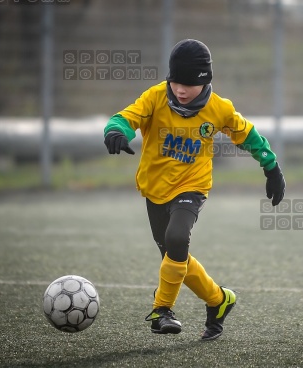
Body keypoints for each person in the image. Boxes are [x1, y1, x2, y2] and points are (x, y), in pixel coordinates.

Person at [103, 39, 286, 340]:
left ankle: (162, 310)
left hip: (192, 186)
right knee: (174, 257)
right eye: (175, 81)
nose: (181, 90)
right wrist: (115, 131)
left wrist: (271, 166)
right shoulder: (155, 98)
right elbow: (125, 117)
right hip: (154, 189)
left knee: (176, 238)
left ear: (205, 81)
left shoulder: (219, 109)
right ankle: (219, 300)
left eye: (188, 84)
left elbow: (248, 135)